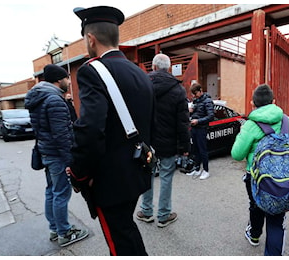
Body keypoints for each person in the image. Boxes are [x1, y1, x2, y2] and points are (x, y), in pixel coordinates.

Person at [68, 6, 154, 256]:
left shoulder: (91, 71)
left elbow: (90, 130)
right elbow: (151, 122)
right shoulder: (140, 72)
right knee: (126, 230)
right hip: (138, 171)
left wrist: (79, 173)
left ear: (90, 39)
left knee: (121, 243)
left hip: (110, 180)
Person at [24, 64, 89, 247]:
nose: (69, 82)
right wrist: (70, 161)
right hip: (57, 155)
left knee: (51, 191)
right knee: (61, 193)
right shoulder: (54, 100)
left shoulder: (39, 97)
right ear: (59, 80)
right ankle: (65, 232)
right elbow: (61, 135)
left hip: (46, 151)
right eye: (67, 78)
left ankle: (55, 229)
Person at [231, 84, 289, 256]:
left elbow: (237, 154)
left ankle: (254, 235)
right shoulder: (288, 122)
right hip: (283, 180)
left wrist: (242, 134)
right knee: (276, 220)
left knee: (255, 205)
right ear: (274, 101)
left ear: (253, 103)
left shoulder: (250, 125)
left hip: (255, 177)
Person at [136, 53, 190, 227]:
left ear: (153, 67)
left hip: (147, 142)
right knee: (166, 176)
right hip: (168, 142)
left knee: (147, 174)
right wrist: (185, 146)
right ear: (168, 67)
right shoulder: (178, 89)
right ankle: (164, 215)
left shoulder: (142, 85)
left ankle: (146, 211)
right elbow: (183, 122)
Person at [186, 83, 214, 180]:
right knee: (195, 149)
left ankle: (206, 170)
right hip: (194, 128)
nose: (194, 96)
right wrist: (191, 111)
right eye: (193, 94)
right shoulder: (196, 101)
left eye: (195, 93)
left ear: (200, 90)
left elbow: (211, 116)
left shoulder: (208, 101)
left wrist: (198, 121)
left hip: (201, 128)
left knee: (203, 150)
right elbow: (196, 113)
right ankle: (197, 169)